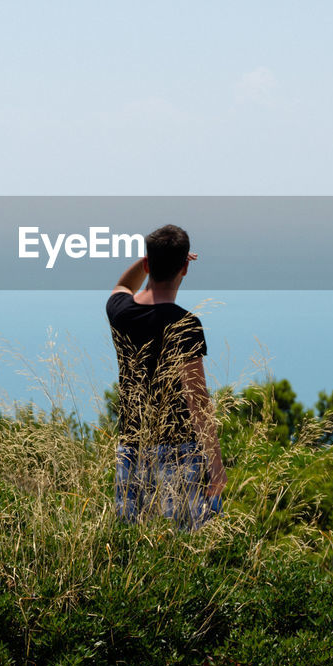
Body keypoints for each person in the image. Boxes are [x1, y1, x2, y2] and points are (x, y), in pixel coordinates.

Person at [106, 224, 226, 530]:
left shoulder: (120, 311)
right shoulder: (184, 324)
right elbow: (197, 402)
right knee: (185, 550)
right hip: (179, 452)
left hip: (132, 444)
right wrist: (216, 468)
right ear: (185, 267)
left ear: (147, 263)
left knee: (130, 545)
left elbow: (122, 286)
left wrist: (149, 258)